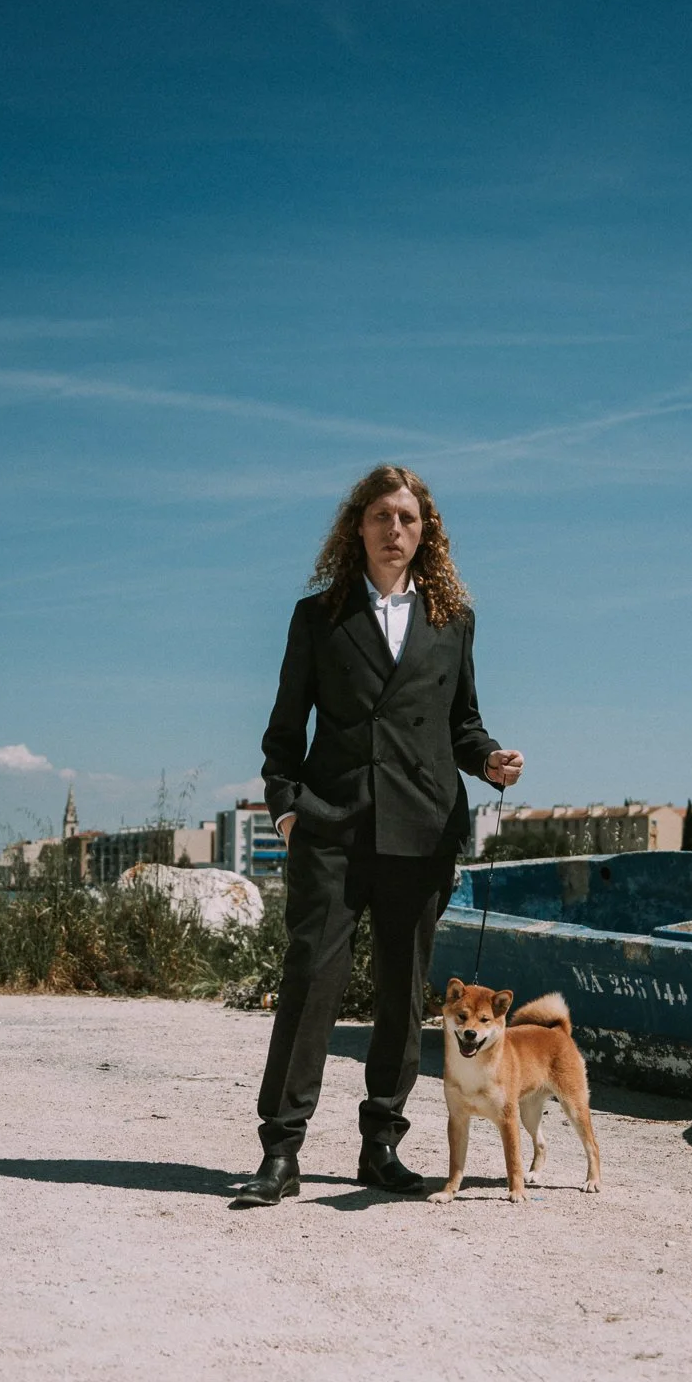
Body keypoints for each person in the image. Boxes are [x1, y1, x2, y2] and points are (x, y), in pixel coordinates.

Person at [236, 465, 522, 1206]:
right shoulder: (317, 616)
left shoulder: (451, 619)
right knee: (309, 986)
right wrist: (287, 807)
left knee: (400, 996)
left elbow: (462, 722)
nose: (394, 530)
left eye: (408, 518)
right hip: (330, 827)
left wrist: (489, 760)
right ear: (355, 528)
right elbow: (282, 728)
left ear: (426, 533)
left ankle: (381, 1145)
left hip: (422, 828)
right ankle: (280, 1151)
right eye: (380, 517)